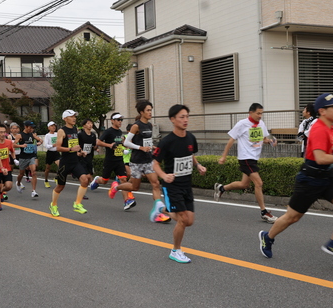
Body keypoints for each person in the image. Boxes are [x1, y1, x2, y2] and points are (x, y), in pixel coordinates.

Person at [259, 93, 333, 263]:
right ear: (322, 111)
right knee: (293, 217)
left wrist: (332, 167)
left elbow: (320, 156)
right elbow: (320, 158)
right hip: (309, 180)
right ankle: (267, 237)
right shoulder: (319, 129)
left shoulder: (331, 127)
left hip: (326, 178)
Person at [152, 105, 206, 263]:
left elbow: (191, 155)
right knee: (182, 219)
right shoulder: (166, 142)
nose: (185, 120)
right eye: (181, 117)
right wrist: (163, 175)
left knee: (189, 221)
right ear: (172, 119)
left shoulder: (191, 138)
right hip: (172, 186)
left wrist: (198, 166)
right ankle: (176, 250)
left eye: (187, 116)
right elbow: (155, 163)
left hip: (186, 185)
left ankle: (161, 209)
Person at [214, 103, 278, 223]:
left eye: (261, 113)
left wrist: (270, 141)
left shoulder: (261, 124)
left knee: (244, 184)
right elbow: (231, 140)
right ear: (250, 113)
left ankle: (221, 188)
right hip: (245, 158)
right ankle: (264, 212)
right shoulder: (242, 124)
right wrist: (223, 157)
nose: (260, 116)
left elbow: (263, 139)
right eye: (258, 113)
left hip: (254, 158)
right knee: (258, 183)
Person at [110, 100, 171, 223]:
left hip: (148, 160)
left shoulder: (149, 125)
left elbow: (146, 141)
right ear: (141, 112)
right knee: (134, 187)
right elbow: (126, 142)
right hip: (136, 161)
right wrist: (140, 148)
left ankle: (158, 213)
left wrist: (151, 146)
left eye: (151, 110)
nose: (150, 113)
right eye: (148, 110)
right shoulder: (136, 126)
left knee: (155, 184)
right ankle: (116, 187)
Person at [50, 110, 91, 216]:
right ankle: (53, 205)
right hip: (65, 163)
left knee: (85, 180)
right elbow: (58, 147)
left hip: (75, 161)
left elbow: (75, 145)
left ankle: (77, 203)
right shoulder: (61, 131)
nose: (74, 118)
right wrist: (71, 148)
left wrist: (80, 151)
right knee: (60, 187)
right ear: (65, 119)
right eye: (71, 116)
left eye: (74, 116)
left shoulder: (75, 129)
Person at [91, 113, 136, 210]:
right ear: (112, 121)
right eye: (118, 120)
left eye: (121, 120)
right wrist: (109, 145)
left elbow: (118, 143)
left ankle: (126, 201)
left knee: (123, 180)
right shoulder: (108, 131)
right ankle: (97, 180)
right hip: (110, 161)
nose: (120, 122)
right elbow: (98, 142)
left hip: (119, 160)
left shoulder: (120, 132)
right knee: (104, 181)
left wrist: (124, 146)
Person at [15, 121, 42, 198]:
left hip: (31, 156)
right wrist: (21, 146)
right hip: (23, 157)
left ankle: (33, 191)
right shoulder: (20, 135)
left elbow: (40, 140)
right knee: (21, 174)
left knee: (33, 172)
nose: (31, 129)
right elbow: (13, 145)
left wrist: (38, 143)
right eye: (30, 127)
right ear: (25, 127)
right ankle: (18, 183)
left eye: (32, 127)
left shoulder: (32, 135)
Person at [0, 124, 15, 201]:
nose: (3, 134)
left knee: (8, 186)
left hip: (7, 168)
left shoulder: (9, 142)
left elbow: (12, 151)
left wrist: (14, 158)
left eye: (4, 132)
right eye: (1, 132)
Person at [42, 121, 60, 188]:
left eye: (54, 126)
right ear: (48, 127)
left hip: (56, 152)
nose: (53, 127)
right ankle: (46, 180)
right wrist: (53, 145)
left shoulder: (57, 134)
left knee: (60, 165)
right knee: (47, 168)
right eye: (52, 126)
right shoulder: (47, 135)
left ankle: (56, 177)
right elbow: (46, 145)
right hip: (50, 153)